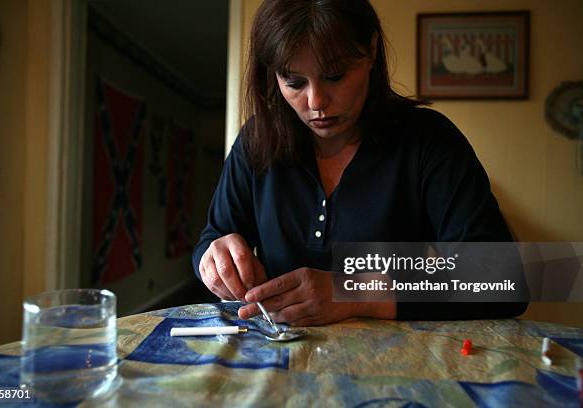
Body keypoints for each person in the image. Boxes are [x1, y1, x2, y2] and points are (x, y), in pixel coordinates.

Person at [192, 0, 528, 325]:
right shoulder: (256, 141)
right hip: (275, 362)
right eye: (294, 82)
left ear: (370, 52)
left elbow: (503, 279)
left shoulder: (429, 139)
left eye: (335, 75)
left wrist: (353, 291)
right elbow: (214, 238)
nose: (316, 101)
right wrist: (213, 259)